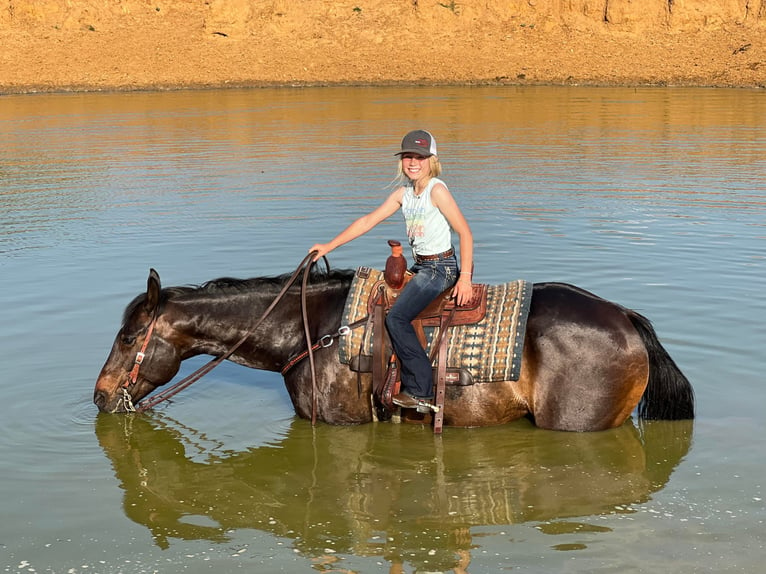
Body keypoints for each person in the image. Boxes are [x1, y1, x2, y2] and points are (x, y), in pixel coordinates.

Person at [309, 129, 474, 409]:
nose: (413, 162)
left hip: (440, 268)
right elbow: (367, 221)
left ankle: (421, 390)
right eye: (408, 156)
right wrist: (328, 246)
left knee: (396, 318)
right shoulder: (404, 194)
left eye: (419, 157)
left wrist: (465, 278)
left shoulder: (437, 190)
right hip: (421, 266)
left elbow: (465, 233)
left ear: (431, 160)